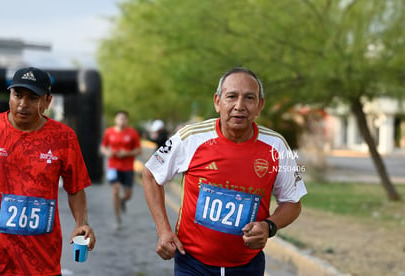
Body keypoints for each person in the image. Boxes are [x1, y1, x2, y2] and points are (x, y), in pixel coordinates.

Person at [142, 67, 307, 275]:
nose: (239, 106)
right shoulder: (190, 138)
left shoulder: (277, 146)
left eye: (249, 98)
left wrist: (269, 226)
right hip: (192, 264)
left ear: (259, 106)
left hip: (248, 266)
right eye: (231, 97)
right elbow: (150, 174)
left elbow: (293, 201)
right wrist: (163, 230)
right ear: (217, 102)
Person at [0, 67, 96, 275]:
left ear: (48, 101)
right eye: (17, 95)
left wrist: (82, 223)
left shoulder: (64, 137)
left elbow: (75, 187)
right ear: (10, 95)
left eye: (33, 97)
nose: (23, 104)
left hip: (41, 256)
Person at [100, 110, 142, 229]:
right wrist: (107, 152)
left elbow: (139, 150)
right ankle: (117, 218)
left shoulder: (133, 133)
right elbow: (103, 147)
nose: (121, 120)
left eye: (124, 118)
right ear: (115, 120)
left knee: (128, 194)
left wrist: (126, 153)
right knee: (116, 190)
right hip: (113, 166)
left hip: (128, 167)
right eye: (119, 118)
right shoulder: (109, 132)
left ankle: (123, 200)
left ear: (127, 120)